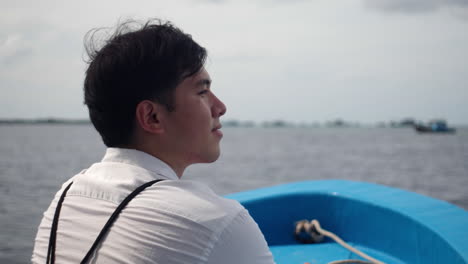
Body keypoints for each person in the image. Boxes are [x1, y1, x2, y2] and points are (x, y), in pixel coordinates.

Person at [32, 19, 275, 264]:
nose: (220, 107)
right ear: (152, 117)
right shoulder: (218, 224)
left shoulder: (65, 199)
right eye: (202, 92)